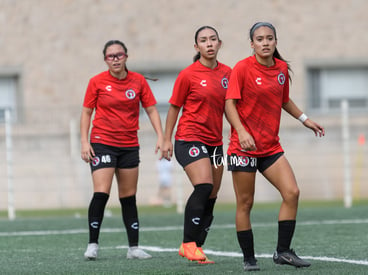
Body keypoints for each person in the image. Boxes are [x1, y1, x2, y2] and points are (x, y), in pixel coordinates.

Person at [224, 22, 325, 271]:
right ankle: (249, 259)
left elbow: (284, 100)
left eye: (269, 38)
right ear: (252, 44)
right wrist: (242, 131)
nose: (265, 42)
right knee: (245, 203)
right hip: (242, 148)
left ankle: (283, 252)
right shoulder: (242, 68)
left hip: (270, 147)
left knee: (292, 192)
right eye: (260, 39)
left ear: (276, 42)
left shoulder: (280, 69)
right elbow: (229, 104)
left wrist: (305, 120)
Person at [80, 40, 163, 260]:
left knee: (128, 196)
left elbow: (152, 110)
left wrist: (162, 137)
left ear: (126, 56)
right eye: (111, 56)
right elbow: (87, 112)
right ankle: (93, 244)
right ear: (105, 59)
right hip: (102, 142)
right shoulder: (96, 82)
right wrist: (84, 141)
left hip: (128, 145)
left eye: (119, 55)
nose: (115, 59)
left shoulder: (138, 81)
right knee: (102, 192)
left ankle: (133, 248)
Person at [162, 26, 231, 264]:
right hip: (189, 137)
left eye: (213, 39)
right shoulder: (188, 75)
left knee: (211, 195)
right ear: (197, 47)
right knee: (203, 186)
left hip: (215, 143)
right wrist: (165, 139)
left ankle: (196, 246)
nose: (209, 44)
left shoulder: (228, 74)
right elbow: (174, 108)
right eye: (204, 40)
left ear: (220, 44)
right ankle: (188, 243)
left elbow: (232, 109)